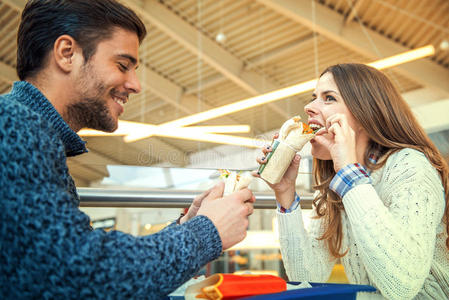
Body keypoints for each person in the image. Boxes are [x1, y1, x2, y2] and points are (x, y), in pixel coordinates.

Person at [0, 0, 255, 298]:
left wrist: (188, 225)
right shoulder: (15, 126)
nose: (135, 85)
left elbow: (71, 256)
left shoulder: (32, 131)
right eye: (123, 66)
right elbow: (81, 274)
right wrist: (206, 232)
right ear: (67, 54)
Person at [255, 63, 449, 299]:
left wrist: (349, 173)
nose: (309, 107)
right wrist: (285, 194)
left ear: (364, 114)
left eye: (328, 98)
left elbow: (401, 287)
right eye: (314, 97)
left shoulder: (410, 166)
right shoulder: (337, 182)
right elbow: (307, 275)